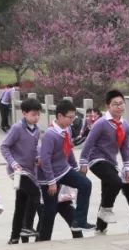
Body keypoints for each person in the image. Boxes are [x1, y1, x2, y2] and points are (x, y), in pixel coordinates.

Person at [37, 99, 95, 239]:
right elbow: (45, 160)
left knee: (85, 184)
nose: (72, 120)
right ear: (59, 116)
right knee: (50, 211)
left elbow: (68, 151)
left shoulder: (67, 129)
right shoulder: (50, 135)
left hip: (64, 169)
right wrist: (51, 182)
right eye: (69, 117)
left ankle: (79, 221)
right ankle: (43, 240)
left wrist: (75, 168)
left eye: (73, 117)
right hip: (49, 176)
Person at [80, 90, 129, 233]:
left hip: (111, 161)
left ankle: (101, 227)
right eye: (115, 104)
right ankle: (106, 210)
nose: (119, 106)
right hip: (96, 159)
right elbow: (89, 142)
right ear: (108, 106)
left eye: (121, 103)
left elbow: (125, 148)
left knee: (107, 191)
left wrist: (127, 167)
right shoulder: (101, 123)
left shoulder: (125, 125)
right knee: (116, 182)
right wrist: (83, 162)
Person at [2, 99, 43, 245]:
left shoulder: (37, 130)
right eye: (33, 114)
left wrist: (38, 157)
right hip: (18, 172)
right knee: (35, 193)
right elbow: (4, 146)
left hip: (30, 171)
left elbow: (34, 148)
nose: (36, 117)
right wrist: (13, 163)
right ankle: (26, 227)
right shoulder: (17, 128)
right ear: (24, 113)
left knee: (20, 204)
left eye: (38, 114)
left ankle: (14, 238)